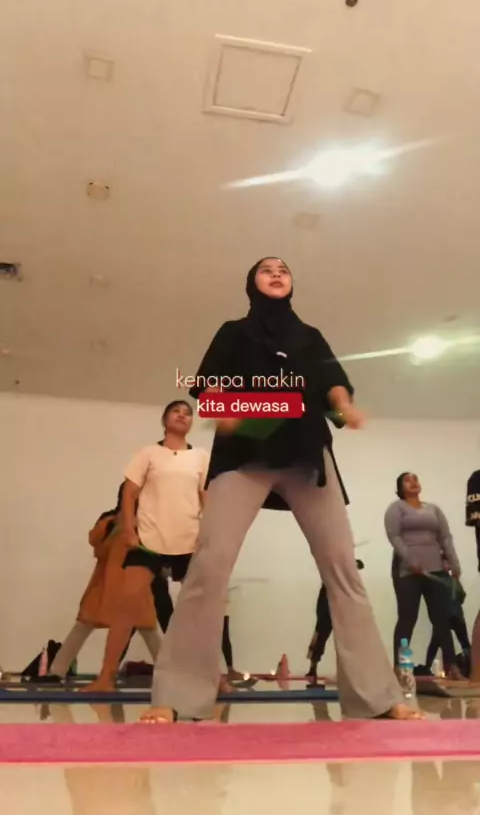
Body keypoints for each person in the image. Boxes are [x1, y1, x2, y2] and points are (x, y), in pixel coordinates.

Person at [141, 257, 420, 723]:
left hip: (307, 454)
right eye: (266, 269)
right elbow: (207, 387)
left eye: (284, 270)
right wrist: (226, 409)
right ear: (251, 283)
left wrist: (345, 408)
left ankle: (376, 698)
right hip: (244, 453)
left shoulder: (309, 336)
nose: (276, 273)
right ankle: (176, 697)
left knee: (343, 570)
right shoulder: (234, 332)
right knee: (208, 566)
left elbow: (333, 385)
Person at [83, 400, 209, 692]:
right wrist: (129, 530)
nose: (182, 415)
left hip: (189, 540)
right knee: (126, 607)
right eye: (176, 411)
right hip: (149, 539)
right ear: (164, 420)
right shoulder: (148, 453)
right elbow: (129, 494)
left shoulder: (201, 457)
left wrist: (210, 534)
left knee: (202, 611)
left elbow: (207, 497)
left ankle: (215, 677)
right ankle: (106, 677)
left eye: (188, 413)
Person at [47, 484, 162, 681]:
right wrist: (117, 523)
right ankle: (57, 672)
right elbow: (96, 541)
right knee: (84, 624)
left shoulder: (149, 521)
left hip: (134, 583)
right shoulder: (110, 519)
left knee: (148, 628)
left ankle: (169, 674)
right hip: (106, 582)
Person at [385, 472, 462, 680]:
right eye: (408, 480)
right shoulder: (396, 508)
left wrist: (454, 564)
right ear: (400, 487)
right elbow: (394, 536)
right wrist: (410, 560)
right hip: (407, 571)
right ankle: (399, 667)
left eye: (416, 478)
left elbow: (445, 537)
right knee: (407, 617)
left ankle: (452, 667)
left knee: (441, 618)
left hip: (435, 570)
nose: (413, 482)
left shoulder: (433, 509)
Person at [306, 559, 365, 683]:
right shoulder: (331, 563)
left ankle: (345, 670)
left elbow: (359, 565)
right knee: (321, 633)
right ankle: (313, 668)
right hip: (328, 599)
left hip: (339, 599)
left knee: (342, 637)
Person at [425, 554, 470, 675]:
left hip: (456, 615)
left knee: (464, 642)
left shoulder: (453, 580)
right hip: (444, 616)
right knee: (435, 643)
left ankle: (471, 666)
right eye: (444, 563)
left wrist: (457, 581)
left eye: (448, 563)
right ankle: (427, 668)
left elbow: (461, 596)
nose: (446, 566)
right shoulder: (437, 580)